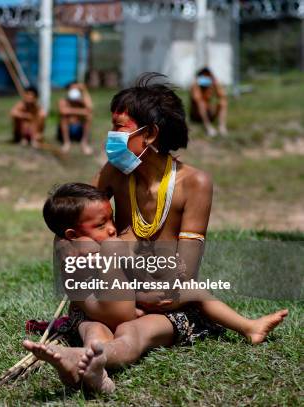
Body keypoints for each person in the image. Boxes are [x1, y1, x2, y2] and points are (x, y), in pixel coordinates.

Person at [23, 74, 288, 393]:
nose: (110, 136)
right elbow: (73, 223)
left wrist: (128, 265)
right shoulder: (113, 173)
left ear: (148, 134)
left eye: (119, 127)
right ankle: (91, 368)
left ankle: (84, 360)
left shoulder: (194, 184)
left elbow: (183, 274)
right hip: (110, 294)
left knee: (136, 333)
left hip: (164, 301)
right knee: (95, 326)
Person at [29, 182, 288, 392]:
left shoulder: (85, 245)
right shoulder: (77, 251)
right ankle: (91, 365)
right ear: (72, 234)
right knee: (102, 330)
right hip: (105, 312)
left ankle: (87, 363)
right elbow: (87, 298)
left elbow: (136, 278)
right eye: (100, 225)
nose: (110, 229)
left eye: (111, 220)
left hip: (127, 310)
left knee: (126, 331)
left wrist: (145, 297)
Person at [190, 67, 228, 137]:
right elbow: (196, 99)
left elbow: (222, 95)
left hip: (209, 112)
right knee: (201, 103)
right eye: (203, 77)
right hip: (197, 114)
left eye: (207, 76)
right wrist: (197, 84)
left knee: (223, 102)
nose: (206, 78)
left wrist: (215, 83)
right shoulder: (195, 85)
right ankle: (208, 127)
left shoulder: (211, 84)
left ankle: (222, 127)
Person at [58, 82, 93, 155]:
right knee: (63, 118)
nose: (74, 90)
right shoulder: (63, 101)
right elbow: (63, 111)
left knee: (88, 117)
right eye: (72, 88)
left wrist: (84, 91)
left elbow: (90, 108)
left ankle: (84, 143)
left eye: (76, 89)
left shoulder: (82, 101)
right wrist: (82, 111)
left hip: (79, 129)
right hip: (68, 128)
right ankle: (66, 143)